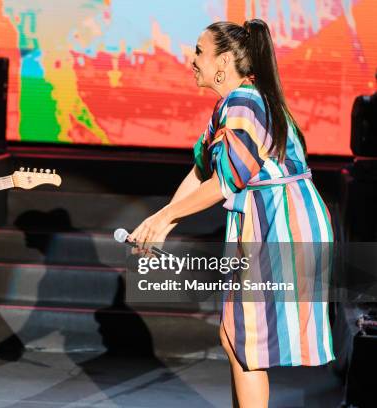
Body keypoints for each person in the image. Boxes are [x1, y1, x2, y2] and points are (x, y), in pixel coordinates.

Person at [129, 19, 334, 408]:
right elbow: (202, 170)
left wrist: (162, 221)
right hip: (268, 220)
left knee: (244, 339)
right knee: (237, 336)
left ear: (222, 61)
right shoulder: (233, 104)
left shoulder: (244, 102)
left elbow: (226, 183)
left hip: (282, 223)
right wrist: (163, 221)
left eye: (199, 52)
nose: (191, 60)